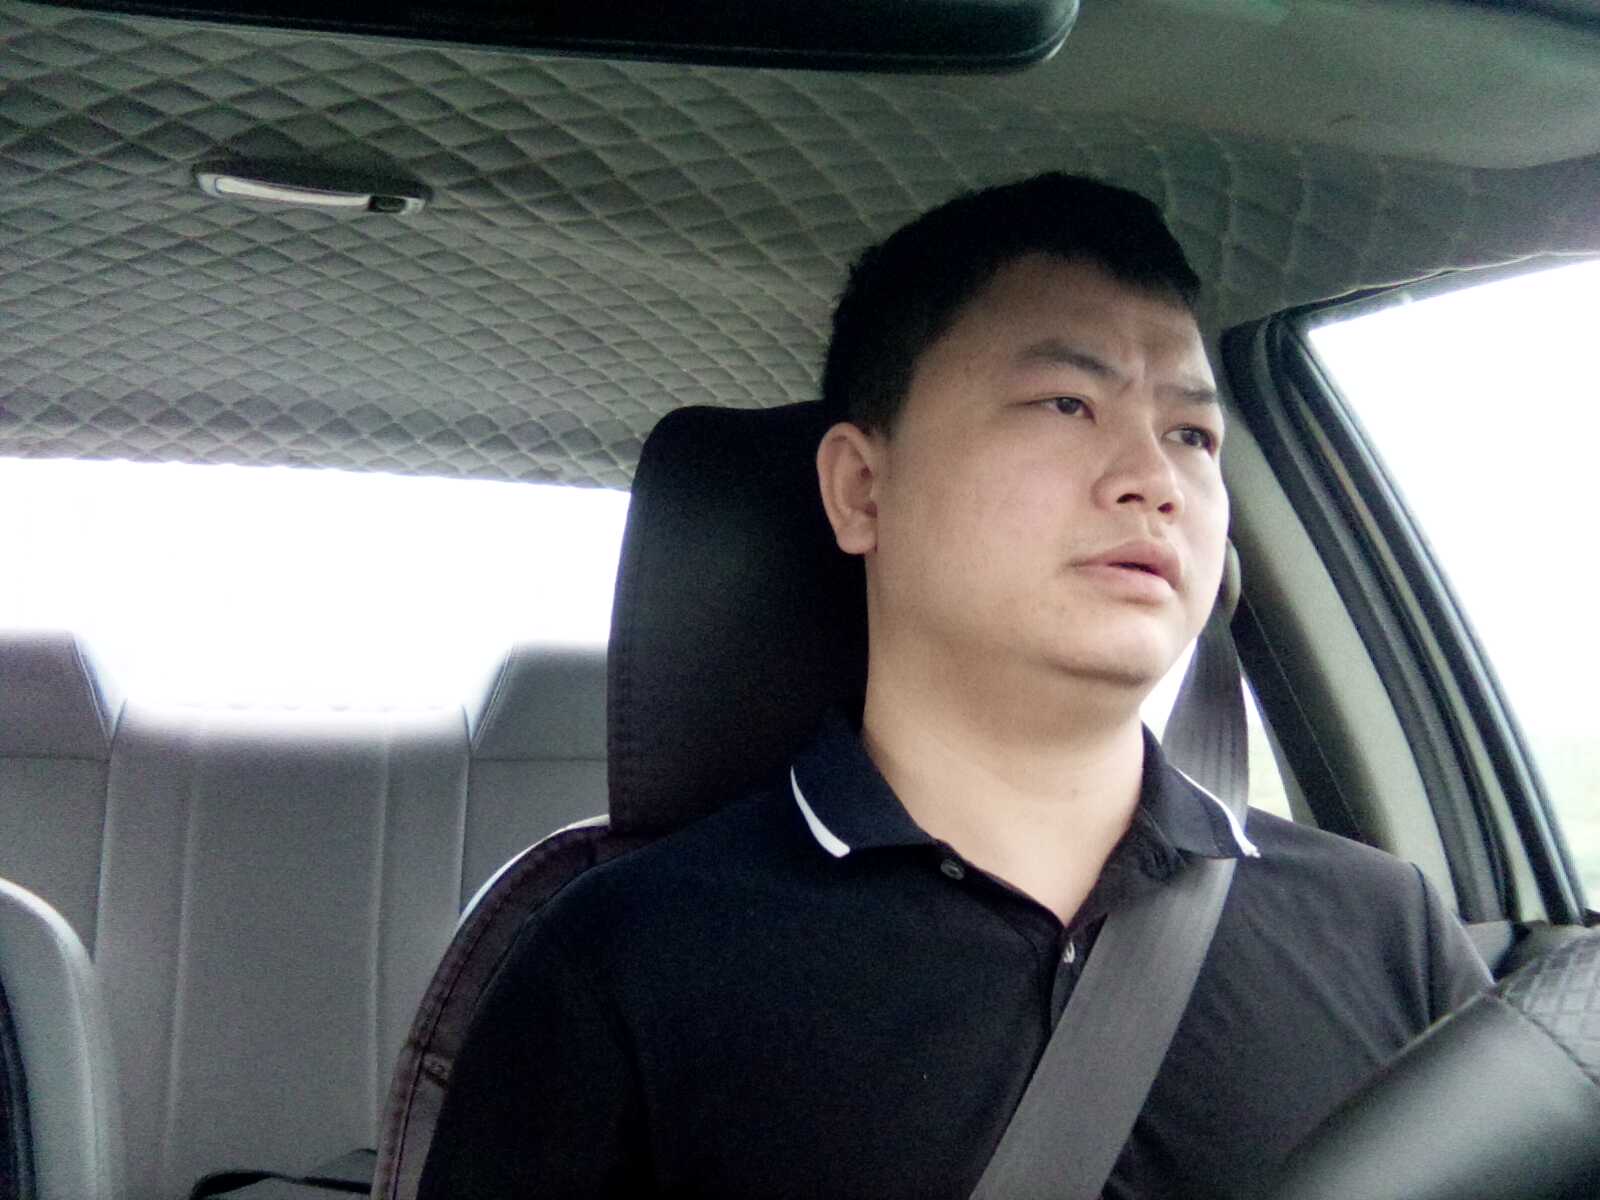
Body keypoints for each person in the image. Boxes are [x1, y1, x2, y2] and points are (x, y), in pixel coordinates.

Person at [417, 173, 1489, 1200]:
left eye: (1191, 434)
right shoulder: (622, 961)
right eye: (1067, 403)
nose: (1153, 480)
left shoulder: (1384, 926)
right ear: (861, 488)